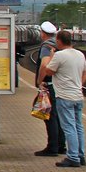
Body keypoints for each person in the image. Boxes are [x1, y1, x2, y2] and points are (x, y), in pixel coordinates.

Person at [39, 29, 86, 168]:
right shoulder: (80, 54)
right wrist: (79, 85)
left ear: (59, 41)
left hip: (64, 96)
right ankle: (81, 155)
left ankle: (73, 157)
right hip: (78, 96)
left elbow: (48, 71)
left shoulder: (59, 55)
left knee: (69, 127)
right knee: (78, 126)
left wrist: (51, 56)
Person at [33, 21, 66, 157]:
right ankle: (61, 145)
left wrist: (39, 81)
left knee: (49, 116)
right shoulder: (58, 46)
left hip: (49, 85)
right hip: (59, 85)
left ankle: (52, 147)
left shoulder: (47, 46)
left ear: (42, 33)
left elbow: (44, 66)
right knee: (58, 116)